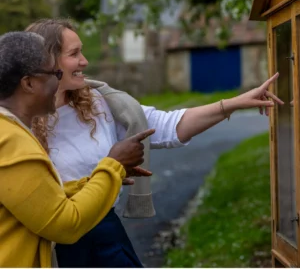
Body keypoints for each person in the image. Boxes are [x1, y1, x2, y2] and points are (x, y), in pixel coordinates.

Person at [26, 18, 284, 268]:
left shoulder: (100, 104)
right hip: (49, 248)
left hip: (107, 237)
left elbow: (167, 126)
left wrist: (234, 103)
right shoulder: (17, 123)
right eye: (74, 54)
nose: (85, 61)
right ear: (48, 61)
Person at [0, 31, 154, 268]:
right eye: (55, 73)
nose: (58, 82)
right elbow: (65, 225)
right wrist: (112, 166)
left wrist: (93, 182)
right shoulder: (11, 142)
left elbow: (35, 198)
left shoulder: (8, 131)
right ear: (28, 83)